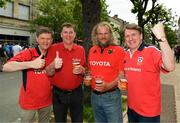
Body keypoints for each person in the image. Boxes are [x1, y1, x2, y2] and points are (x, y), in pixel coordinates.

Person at [121, 23, 175, 122]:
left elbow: (170, 66)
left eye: (134, 35)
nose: (130, 38)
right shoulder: (125, 54)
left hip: (149, 113)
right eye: (127, 36)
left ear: (141, 36)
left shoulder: (151, 51)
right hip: (131, 108)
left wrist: (161, 38)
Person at [3, 27, 53, 122]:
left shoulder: (53, 54)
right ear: (37, 39)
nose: (45, 41)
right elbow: (6, 67)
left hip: (47, 101)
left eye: (48, 39)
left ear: (51, 40)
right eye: (42, 38)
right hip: (29, 102)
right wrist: (31, 64)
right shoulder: (28, 53)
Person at [84, 22, 125, 123]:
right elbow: (89, 71)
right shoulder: (92, 50)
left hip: (112, 97)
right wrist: (85, 78)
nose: (103, 36)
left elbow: (122, 75)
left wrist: (108, 86)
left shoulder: (119, 50)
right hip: (94, 97)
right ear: (96, 36)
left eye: (106, 33)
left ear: (110, 34)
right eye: (100, 34)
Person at [45, 23, 86, 122]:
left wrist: (82, 70)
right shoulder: (53, 48)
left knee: (78, 120)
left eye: (71, 32)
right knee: (59, 120)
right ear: (61, 34)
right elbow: (48, 72)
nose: (68, 35)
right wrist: (53, 65)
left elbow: (85, 70)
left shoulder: (81, 49)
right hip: (58, 94)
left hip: (77, 92)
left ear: (75, 34)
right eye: (65, 32)